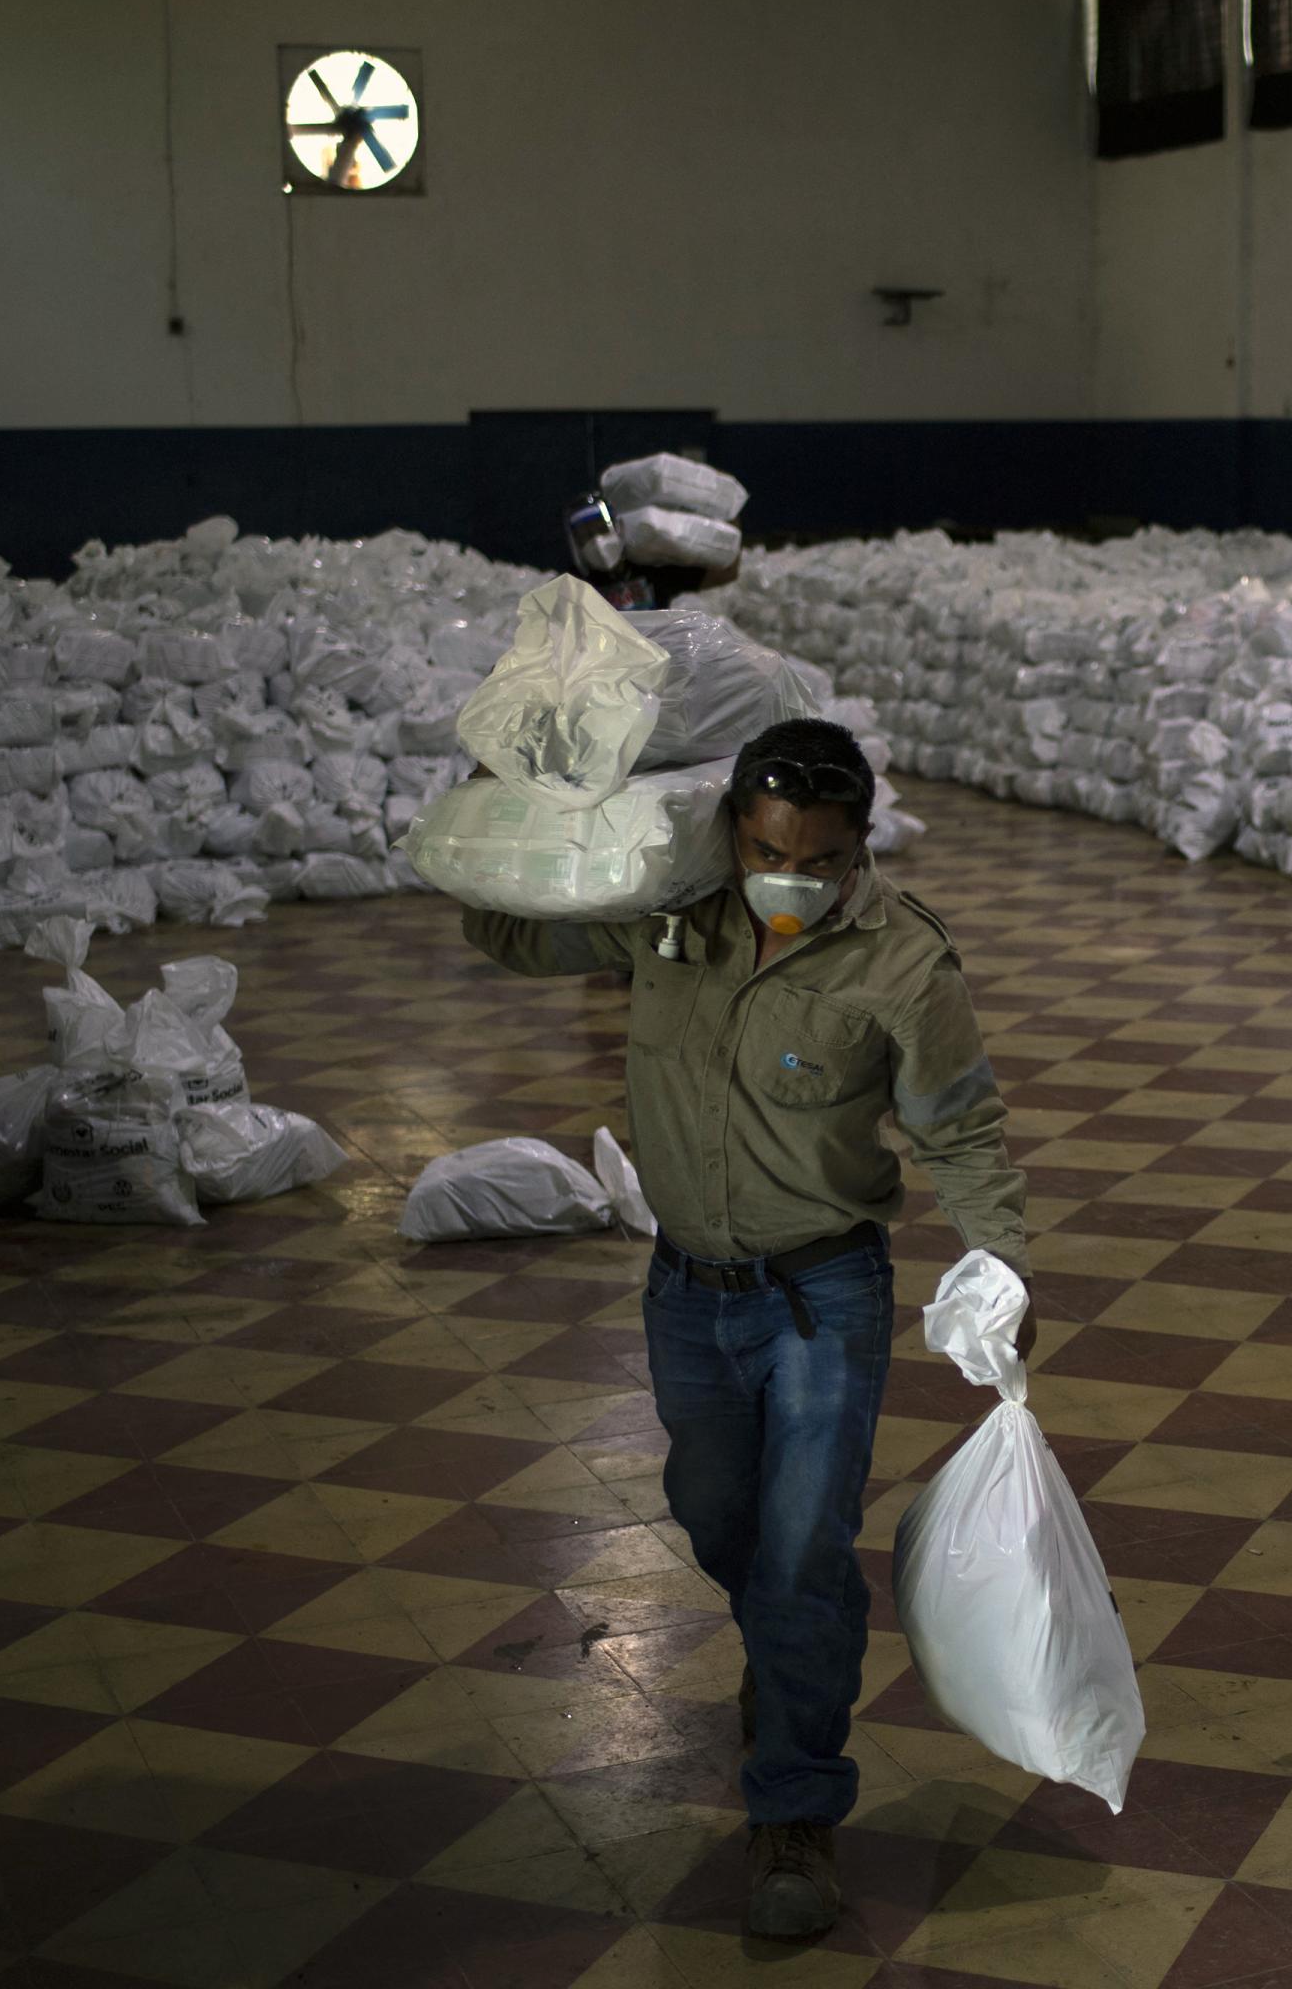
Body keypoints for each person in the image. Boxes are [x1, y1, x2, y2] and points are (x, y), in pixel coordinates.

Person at [459, 717, 1030, 1938]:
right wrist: (510, 795)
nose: (789, 878)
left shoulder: (903, 963)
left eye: (816, 860)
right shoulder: (671, 912)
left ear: (855, 850)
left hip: (824, 1296)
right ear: (732, 830)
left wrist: (999, 1264)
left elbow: (961, 1127)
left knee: (802, 1553)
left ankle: (797, 1811)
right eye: (767, 847)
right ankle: (783, 1656)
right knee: (722, 1520)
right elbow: (504, 927)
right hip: (686, 1291)